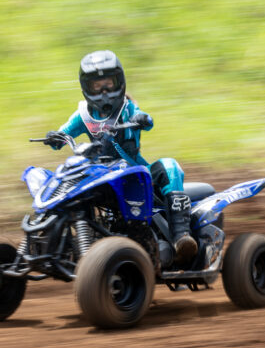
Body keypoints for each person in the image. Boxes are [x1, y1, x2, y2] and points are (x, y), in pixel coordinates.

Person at [43, 50, 197, 263]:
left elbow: (146, 119)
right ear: (87, 87)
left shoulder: (127, 108)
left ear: (120, 82)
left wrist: (142, 119)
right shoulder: (83, 114)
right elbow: (64, 132)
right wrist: (54, 137)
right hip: (99, 174)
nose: (104, 91)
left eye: (109, 83)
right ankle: (56, 240)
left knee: (169, 166)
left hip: (134, 171)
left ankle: (182, 236)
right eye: (97, 85)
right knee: (65, 181)